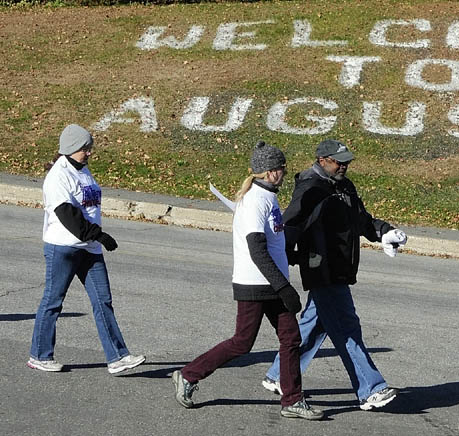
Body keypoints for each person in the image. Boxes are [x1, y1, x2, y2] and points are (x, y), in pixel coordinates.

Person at [171, 141, 322, 420]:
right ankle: (189, 375)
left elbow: (275, 242)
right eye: (281, 168)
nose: (284, 173)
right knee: (242, 342)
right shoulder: (255, 200)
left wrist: (297, 259)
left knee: (290, 338)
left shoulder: (268, 196)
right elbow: (257, 250)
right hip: (255, 284)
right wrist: (284, 287)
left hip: (271, 281)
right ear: (268, 172)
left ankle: (292, 400)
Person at [260, 139, 407, 411]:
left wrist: (384, 231)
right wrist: (283, 260)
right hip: (322, 269)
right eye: (339, 162)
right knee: (347, 328)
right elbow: (290, 225)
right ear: (322, 160)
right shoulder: (310, 187)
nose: (344, 166)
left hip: (340, 268)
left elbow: (361, 219)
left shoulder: (343, 186)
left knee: (315, 324)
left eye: (347, 161)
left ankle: (279, 374)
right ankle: (371, 389)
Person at [28, 124, 146, 375]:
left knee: (103, 301)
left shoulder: (82, 170)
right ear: (71, 148)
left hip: (89, 249)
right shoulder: (59, 176)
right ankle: (39, 355)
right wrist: (99, 235)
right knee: (53, 301)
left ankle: (117, 357)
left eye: (89, 148)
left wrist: (95, 239)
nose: (90, 152)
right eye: (85, 148)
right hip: (63, 248)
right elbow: (67, 215)